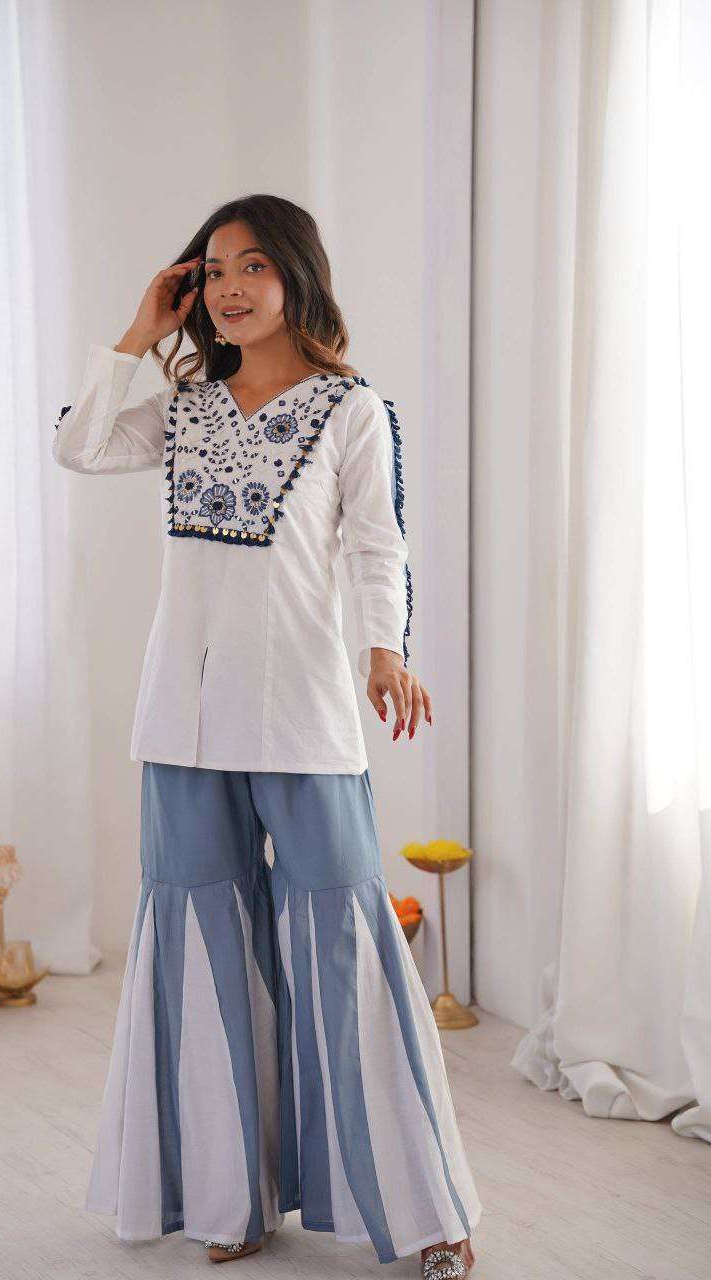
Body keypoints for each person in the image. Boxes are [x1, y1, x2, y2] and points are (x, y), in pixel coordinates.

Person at [53, 194, 480, 1278]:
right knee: (202, 951)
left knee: (344, 942)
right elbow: (77, 446)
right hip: (180, 722)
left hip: (301, 715)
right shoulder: (184, 403)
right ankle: (227, 1195)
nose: (230, 287)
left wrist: (384, 648)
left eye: (252, 266)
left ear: (296, 275)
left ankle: (423, 1211)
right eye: (212, 270)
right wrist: (138, 331)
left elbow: (376, 546)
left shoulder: (351, 409)